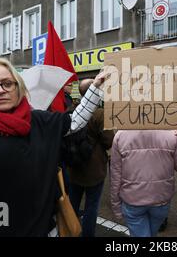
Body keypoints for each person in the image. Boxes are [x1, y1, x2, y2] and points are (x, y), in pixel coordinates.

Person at [0, 57, 109, 236]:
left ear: (18, 87)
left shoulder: (38, 121)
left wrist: (96, 88)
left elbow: (75, 122)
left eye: (8, 83)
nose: (0, 90)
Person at [110, 130, 177, 237]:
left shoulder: (120, 135)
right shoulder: (173, 134)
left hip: (133, 200)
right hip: (161, 199)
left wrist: (115, 205)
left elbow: (115, 174)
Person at [68, 78, 115, 237]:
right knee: (91, 206)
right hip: (94, 170)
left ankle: (70, 231)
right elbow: (109, 141)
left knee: (72, 203)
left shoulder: (71, 110)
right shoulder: (100, 114)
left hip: (74, 166)